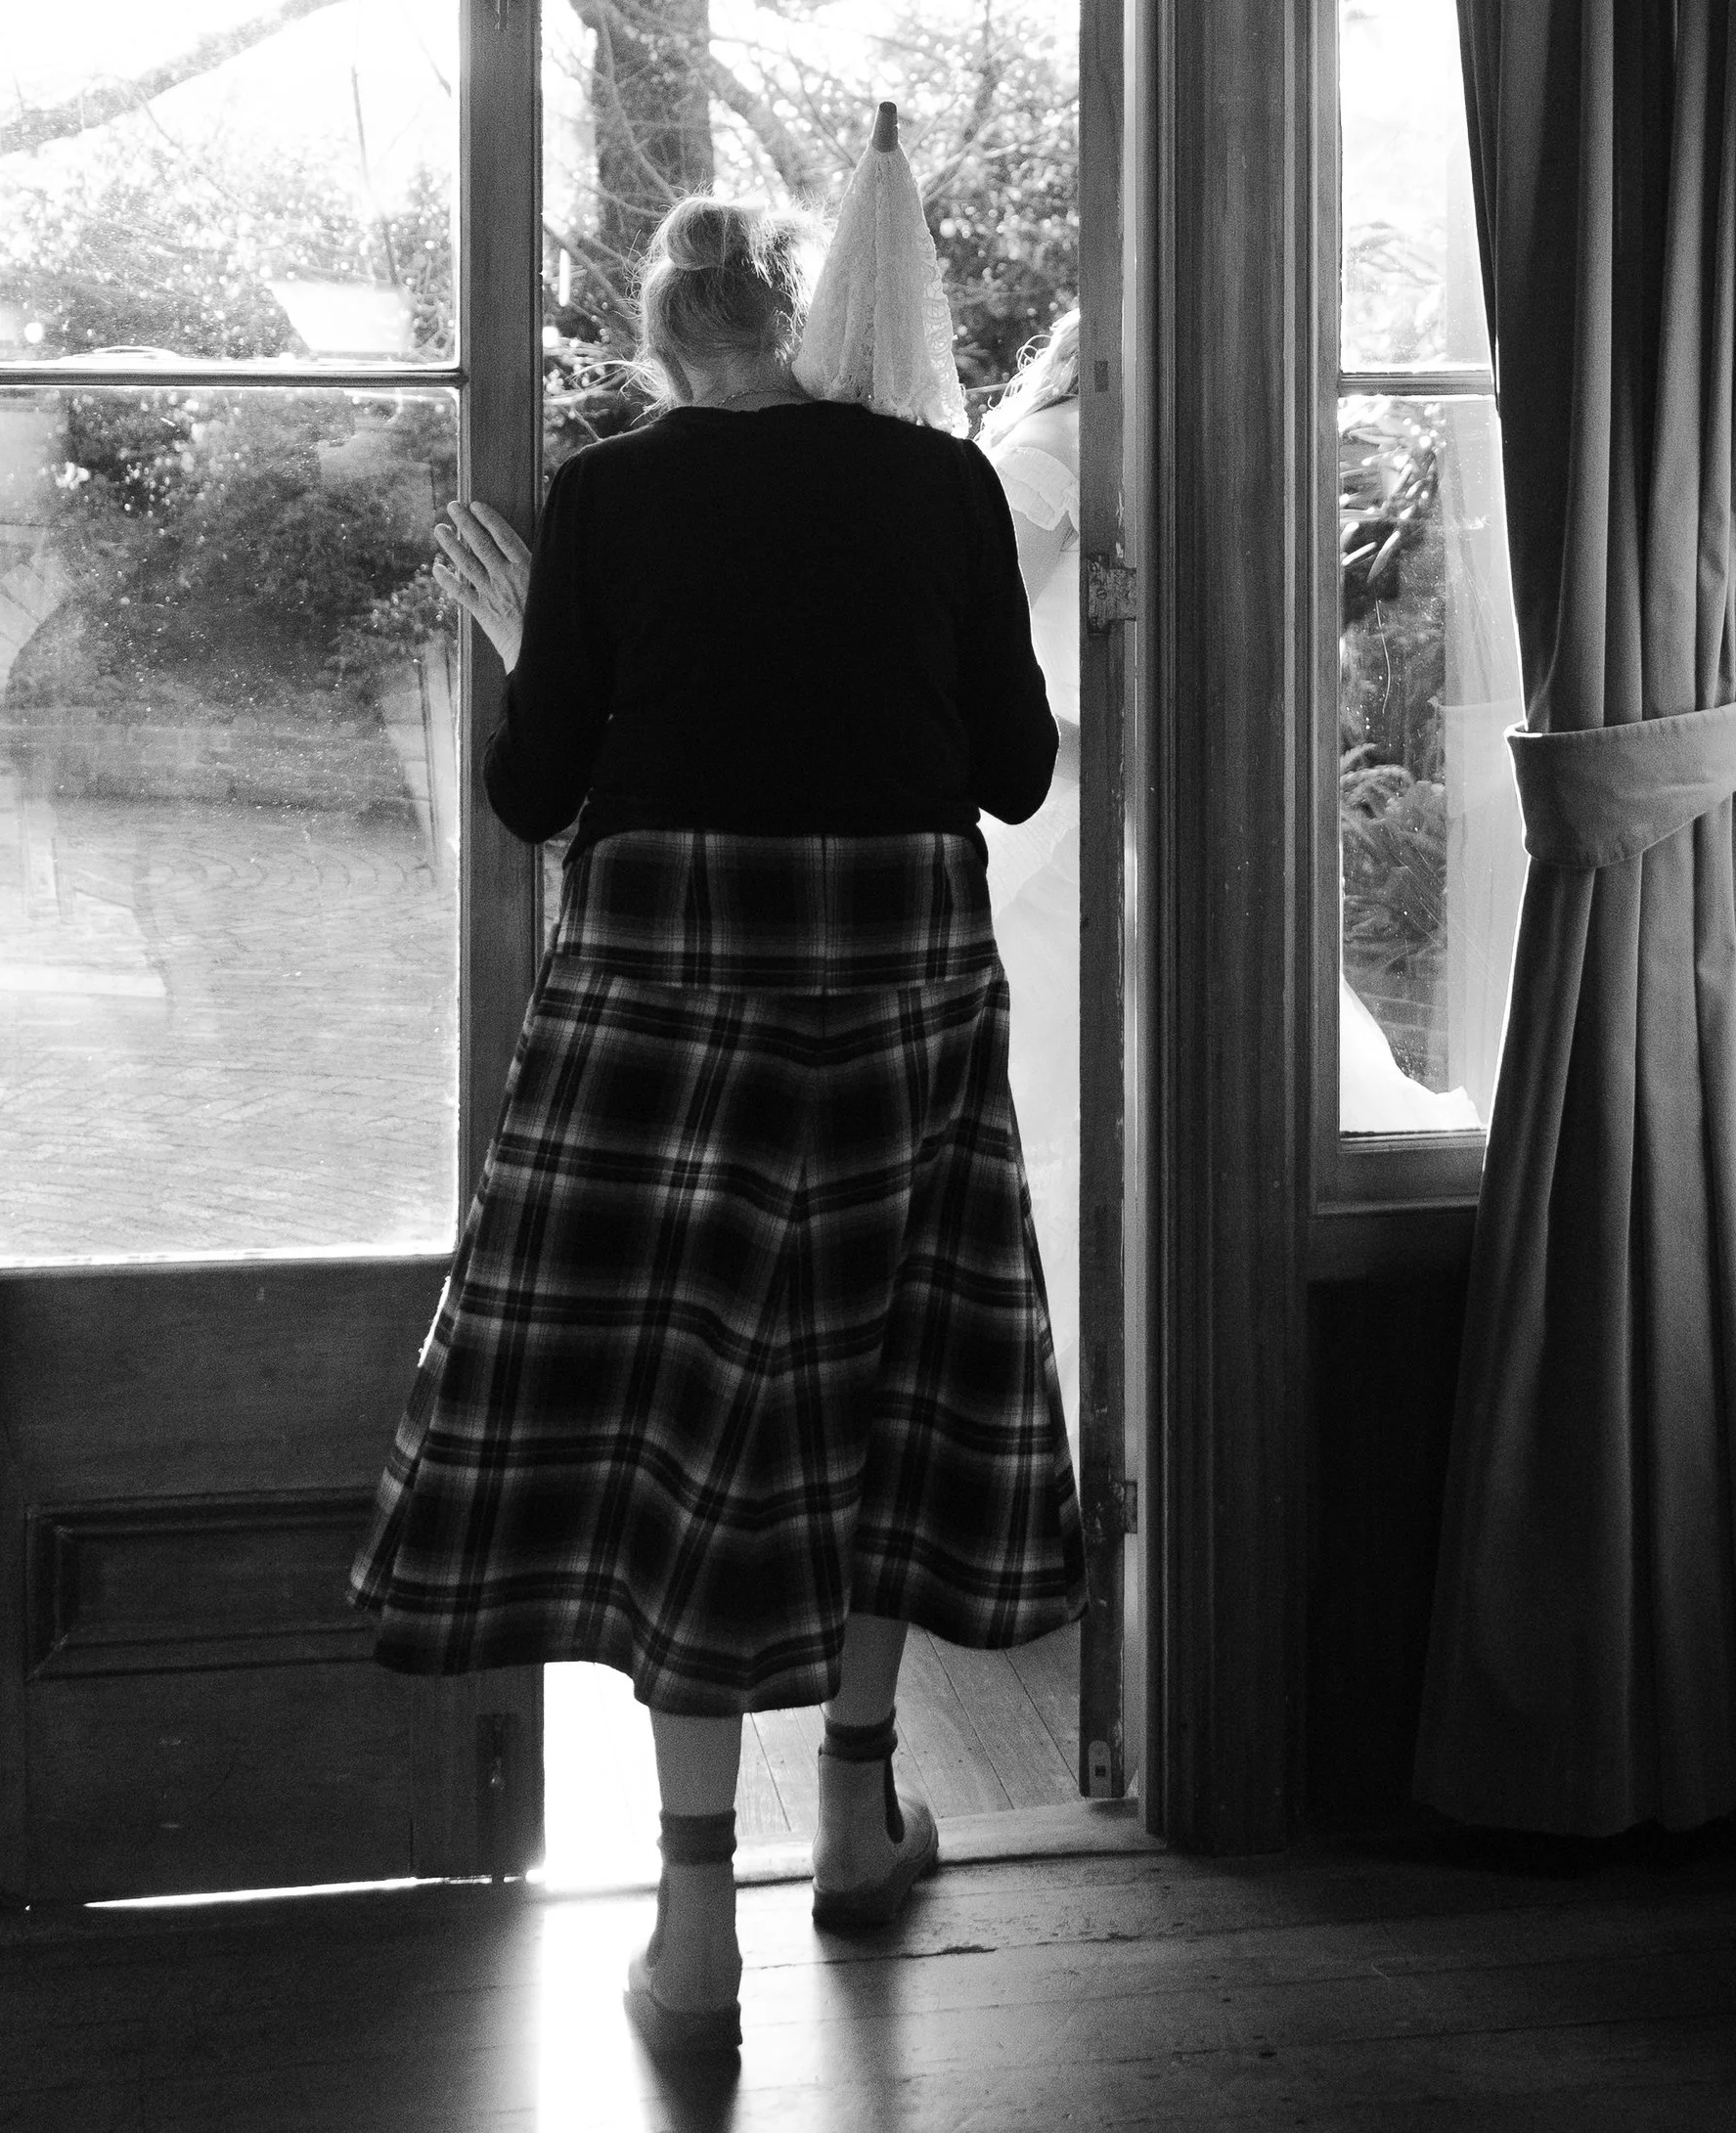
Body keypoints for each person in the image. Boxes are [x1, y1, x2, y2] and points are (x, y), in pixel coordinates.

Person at [348, 196, 1082, 2067]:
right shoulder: (941, 485)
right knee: (881, 1391)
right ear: (791, 322)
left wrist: (539, 633)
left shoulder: (607, 499)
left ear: (660, 341)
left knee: (692, 1427)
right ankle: (851, 1821)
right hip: (901, 986)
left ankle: (692, 1938)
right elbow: (1012, 774)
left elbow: (536, 796)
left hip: (664, 993)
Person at [978, 307, 1086, 1410]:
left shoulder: (1065, 451)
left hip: (1087, 818)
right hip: (1062, 813)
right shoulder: (1058, 455)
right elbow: (977, 662)